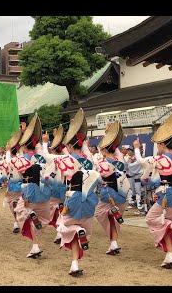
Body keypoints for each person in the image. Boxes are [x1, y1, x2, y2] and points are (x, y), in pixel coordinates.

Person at [134, 110, 172, 268]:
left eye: (158, 144)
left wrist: (137, 148)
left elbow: (141, 161)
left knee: (151, 219)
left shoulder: (158, 159)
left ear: (163, 144)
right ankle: (169, 256)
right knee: (167, 223)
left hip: (167, 195)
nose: (157, 146)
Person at [53, 108, 101, 276]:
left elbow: (49, 158)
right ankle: (75, 264)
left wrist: (48, 142)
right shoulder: (91, 161)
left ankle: (76, 232)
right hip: (90, 199)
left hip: (72, 198)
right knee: (81, 228)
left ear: (69, 146)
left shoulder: (65, 160)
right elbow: (84, 155)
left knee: (62, 225)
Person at [12, 114, 52, 258]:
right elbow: (40, 148)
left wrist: (23, 135)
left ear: (22, 145)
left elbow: (16, 177)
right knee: (45, 219)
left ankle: (30, 214)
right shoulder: (43, 156)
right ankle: (35, 246)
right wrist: (40, 139)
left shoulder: (20, 159)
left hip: (28, 190)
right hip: (45, 190)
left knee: (19, 212)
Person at [94, 121, 130, 256]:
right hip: (122, 194)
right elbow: (116, 151)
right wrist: (109, 135)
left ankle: (113, 240)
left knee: (99, 213)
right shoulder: (121, 161)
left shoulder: (102, 163)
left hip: (108, 194)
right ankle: (113, 243)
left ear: (103, 150)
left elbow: (98, 178)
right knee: (115, 220)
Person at [41, 125, 69, 244]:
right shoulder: (67, 157)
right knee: (62, 209)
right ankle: (59, 231)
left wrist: (44, 142)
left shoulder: (50, 157)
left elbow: (44, 152)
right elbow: (65, 150)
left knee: (50, 210)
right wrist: (59, 138)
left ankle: (55, 230)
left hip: (52, 188)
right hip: (64, 187)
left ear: (52, 149)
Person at [4, 127, 24, 233]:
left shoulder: (10, 161)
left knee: (12, 203)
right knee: (20, 202)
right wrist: (16, 141)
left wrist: (8, 149)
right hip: (22, 185)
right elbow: (20, 152)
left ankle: (16, 222)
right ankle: (20, 220)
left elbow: (7, 158)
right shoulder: (22, 159)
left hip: (12, 185)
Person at [125, 145, 145, 214]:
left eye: (129, 150)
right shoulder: (129, 158)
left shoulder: (140, 158)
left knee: (140, 192)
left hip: (140, 178)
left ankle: (141, 207)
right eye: (127, 150)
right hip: (133, 177)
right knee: (134, 191)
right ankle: (138, 206)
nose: (128, 152)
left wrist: (130, 163)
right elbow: (126, 168)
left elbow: (134, 167)